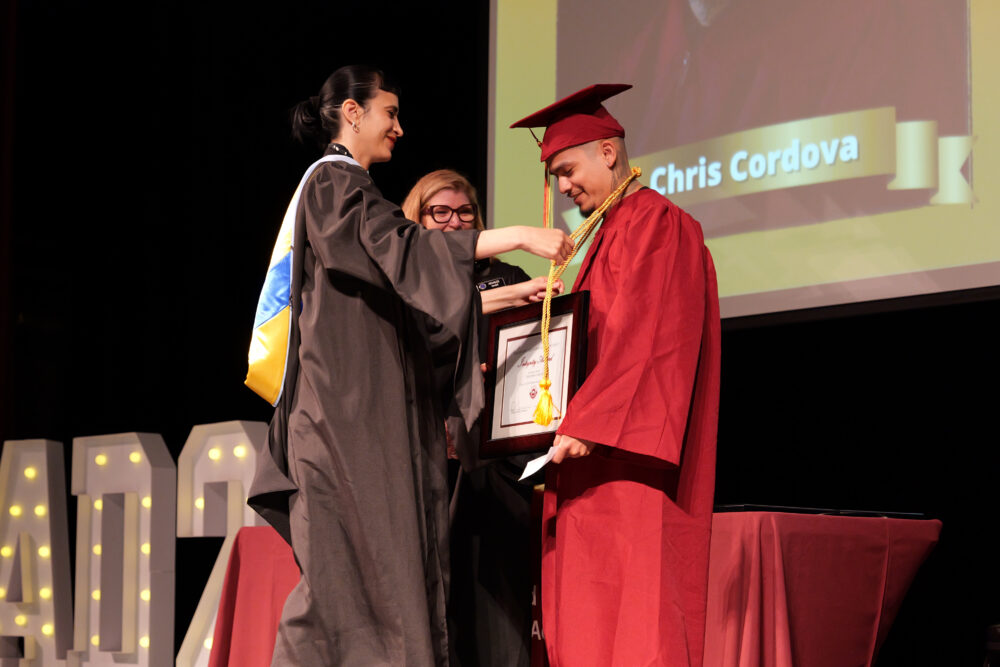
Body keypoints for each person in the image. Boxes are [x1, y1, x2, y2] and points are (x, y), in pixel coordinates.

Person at [246, 65, 573, 666]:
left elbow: (405, 309)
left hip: (366, 424)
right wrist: (518, 235)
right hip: (345, 427)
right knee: (346, 590)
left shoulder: (351, 191)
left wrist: (501, 298)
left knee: (380, 583)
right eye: (389, 113)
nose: (399, 127)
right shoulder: (332, 184)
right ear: (352, 113)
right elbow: (405, 253)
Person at [510, 84, 721, 666]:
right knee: (586, 622)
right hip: (585, 459)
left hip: (626, 461)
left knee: (636, 620)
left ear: (608, 152)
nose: (563, 186)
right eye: (554, 175)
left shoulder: (660, 223)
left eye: (568, 168)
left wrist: (590, 421)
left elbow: (652, 339)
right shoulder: (603, 234)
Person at [403, 169, 559, 666]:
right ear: (417, 218)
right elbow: (430, 326)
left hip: (495, 454)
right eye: (440, 213)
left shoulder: (509, 276)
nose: (455, 222)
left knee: (498, 597)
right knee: (434, 595)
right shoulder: (405, 279)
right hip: (423, 449)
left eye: (465, 212)